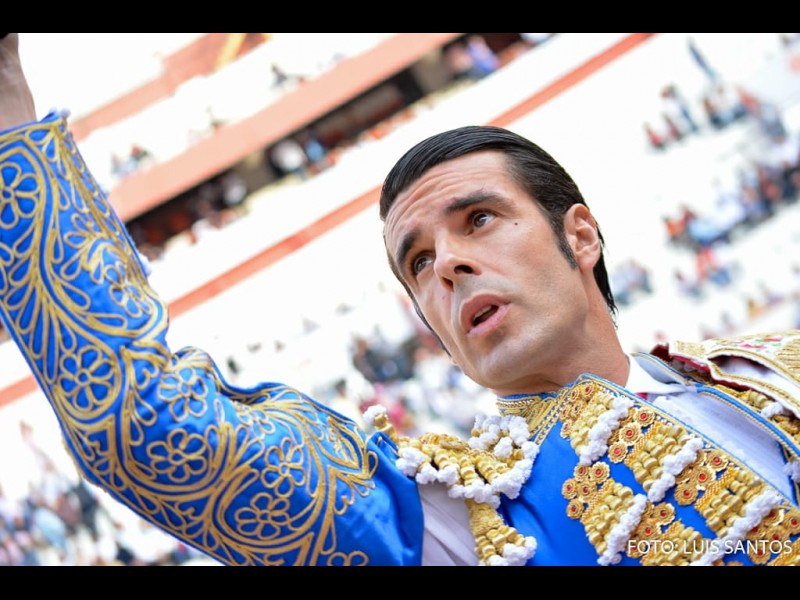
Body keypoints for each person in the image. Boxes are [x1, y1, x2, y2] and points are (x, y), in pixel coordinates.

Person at [2, 33, 800, 567]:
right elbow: (145, 428)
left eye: (478, 219)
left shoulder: (771, 376)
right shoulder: (461, 519)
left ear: (580, 236)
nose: (447, 265)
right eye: (417, 263)